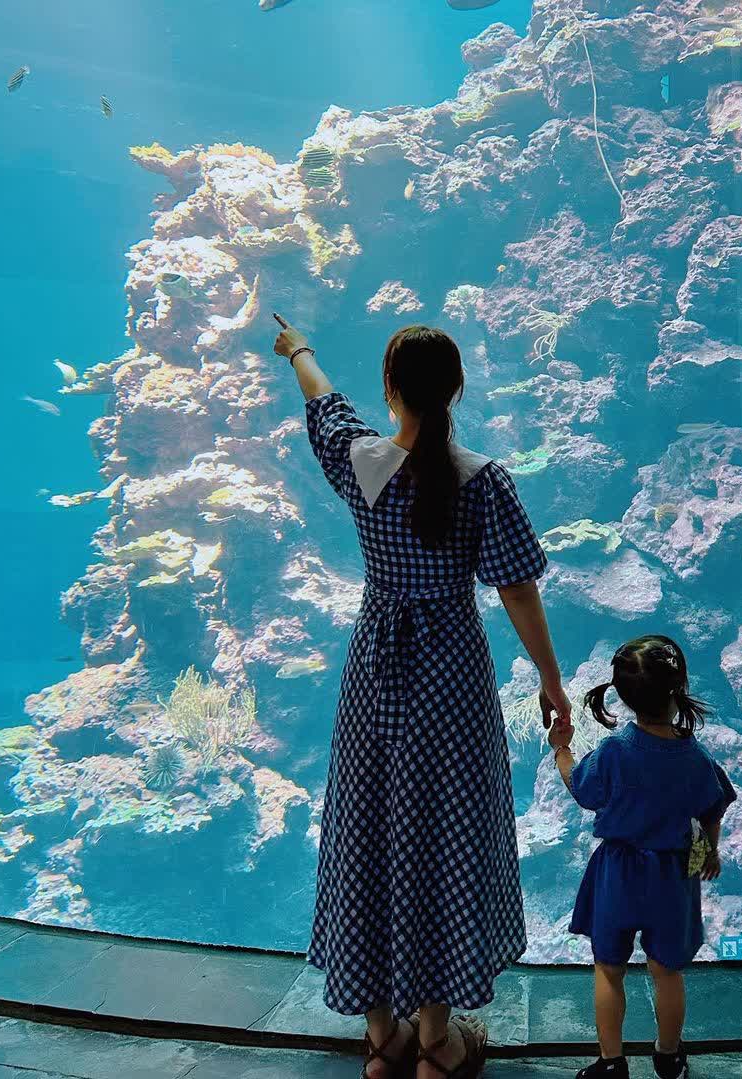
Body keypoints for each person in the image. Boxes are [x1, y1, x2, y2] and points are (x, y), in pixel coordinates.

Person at [274, 317, 573, 1079]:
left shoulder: (360, 463)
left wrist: (300, 348)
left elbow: (324, 404)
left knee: (369, 822)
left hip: (376, 664)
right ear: (459, 390)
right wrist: (550, 679)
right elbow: (516, 588)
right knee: (447, 832)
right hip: (451, 674)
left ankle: (382, 1040)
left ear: (392, 389)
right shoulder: (486, 479)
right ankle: (438, 1041)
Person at [547, 635, 737, 1079]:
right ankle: (669, 1056)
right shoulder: (694, 757)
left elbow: (581, 787)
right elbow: (713, 807)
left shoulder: (615, 751)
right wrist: (708, 850)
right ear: (678, 689)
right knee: (667, 971)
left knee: (609, 969)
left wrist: (561, 748)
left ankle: (611, 1064)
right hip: (673, 876)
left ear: (622, 695)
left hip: (619, 871)